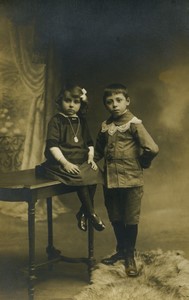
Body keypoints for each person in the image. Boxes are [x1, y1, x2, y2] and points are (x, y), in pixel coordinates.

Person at [94, 83, 159, 276]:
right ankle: (121, 250)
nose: (114, 105)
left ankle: (129, 256)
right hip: (110, 181)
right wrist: (86, 165)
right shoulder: (106, 127)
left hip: (131, 180)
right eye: (109, 102)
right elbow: (97, 152)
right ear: (106, 105)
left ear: (127, 101)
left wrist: (142, 163)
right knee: (115, 216)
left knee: (130, 218)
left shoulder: (134, 124)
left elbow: (152, 148)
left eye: (119, 100)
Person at [39, 84, 105, 232]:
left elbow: (89, 143)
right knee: (80, 176)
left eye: (76, 102)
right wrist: (65, 163)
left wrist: (91, 158)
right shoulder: (56, 120)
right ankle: (92, 213)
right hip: (59, 162)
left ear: (81, 104)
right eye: (67, 100)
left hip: (80, 161)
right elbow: (52, 145)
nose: (71, 105)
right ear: (60, 101)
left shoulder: (81, 121)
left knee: (95, 173)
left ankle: (83, 211)